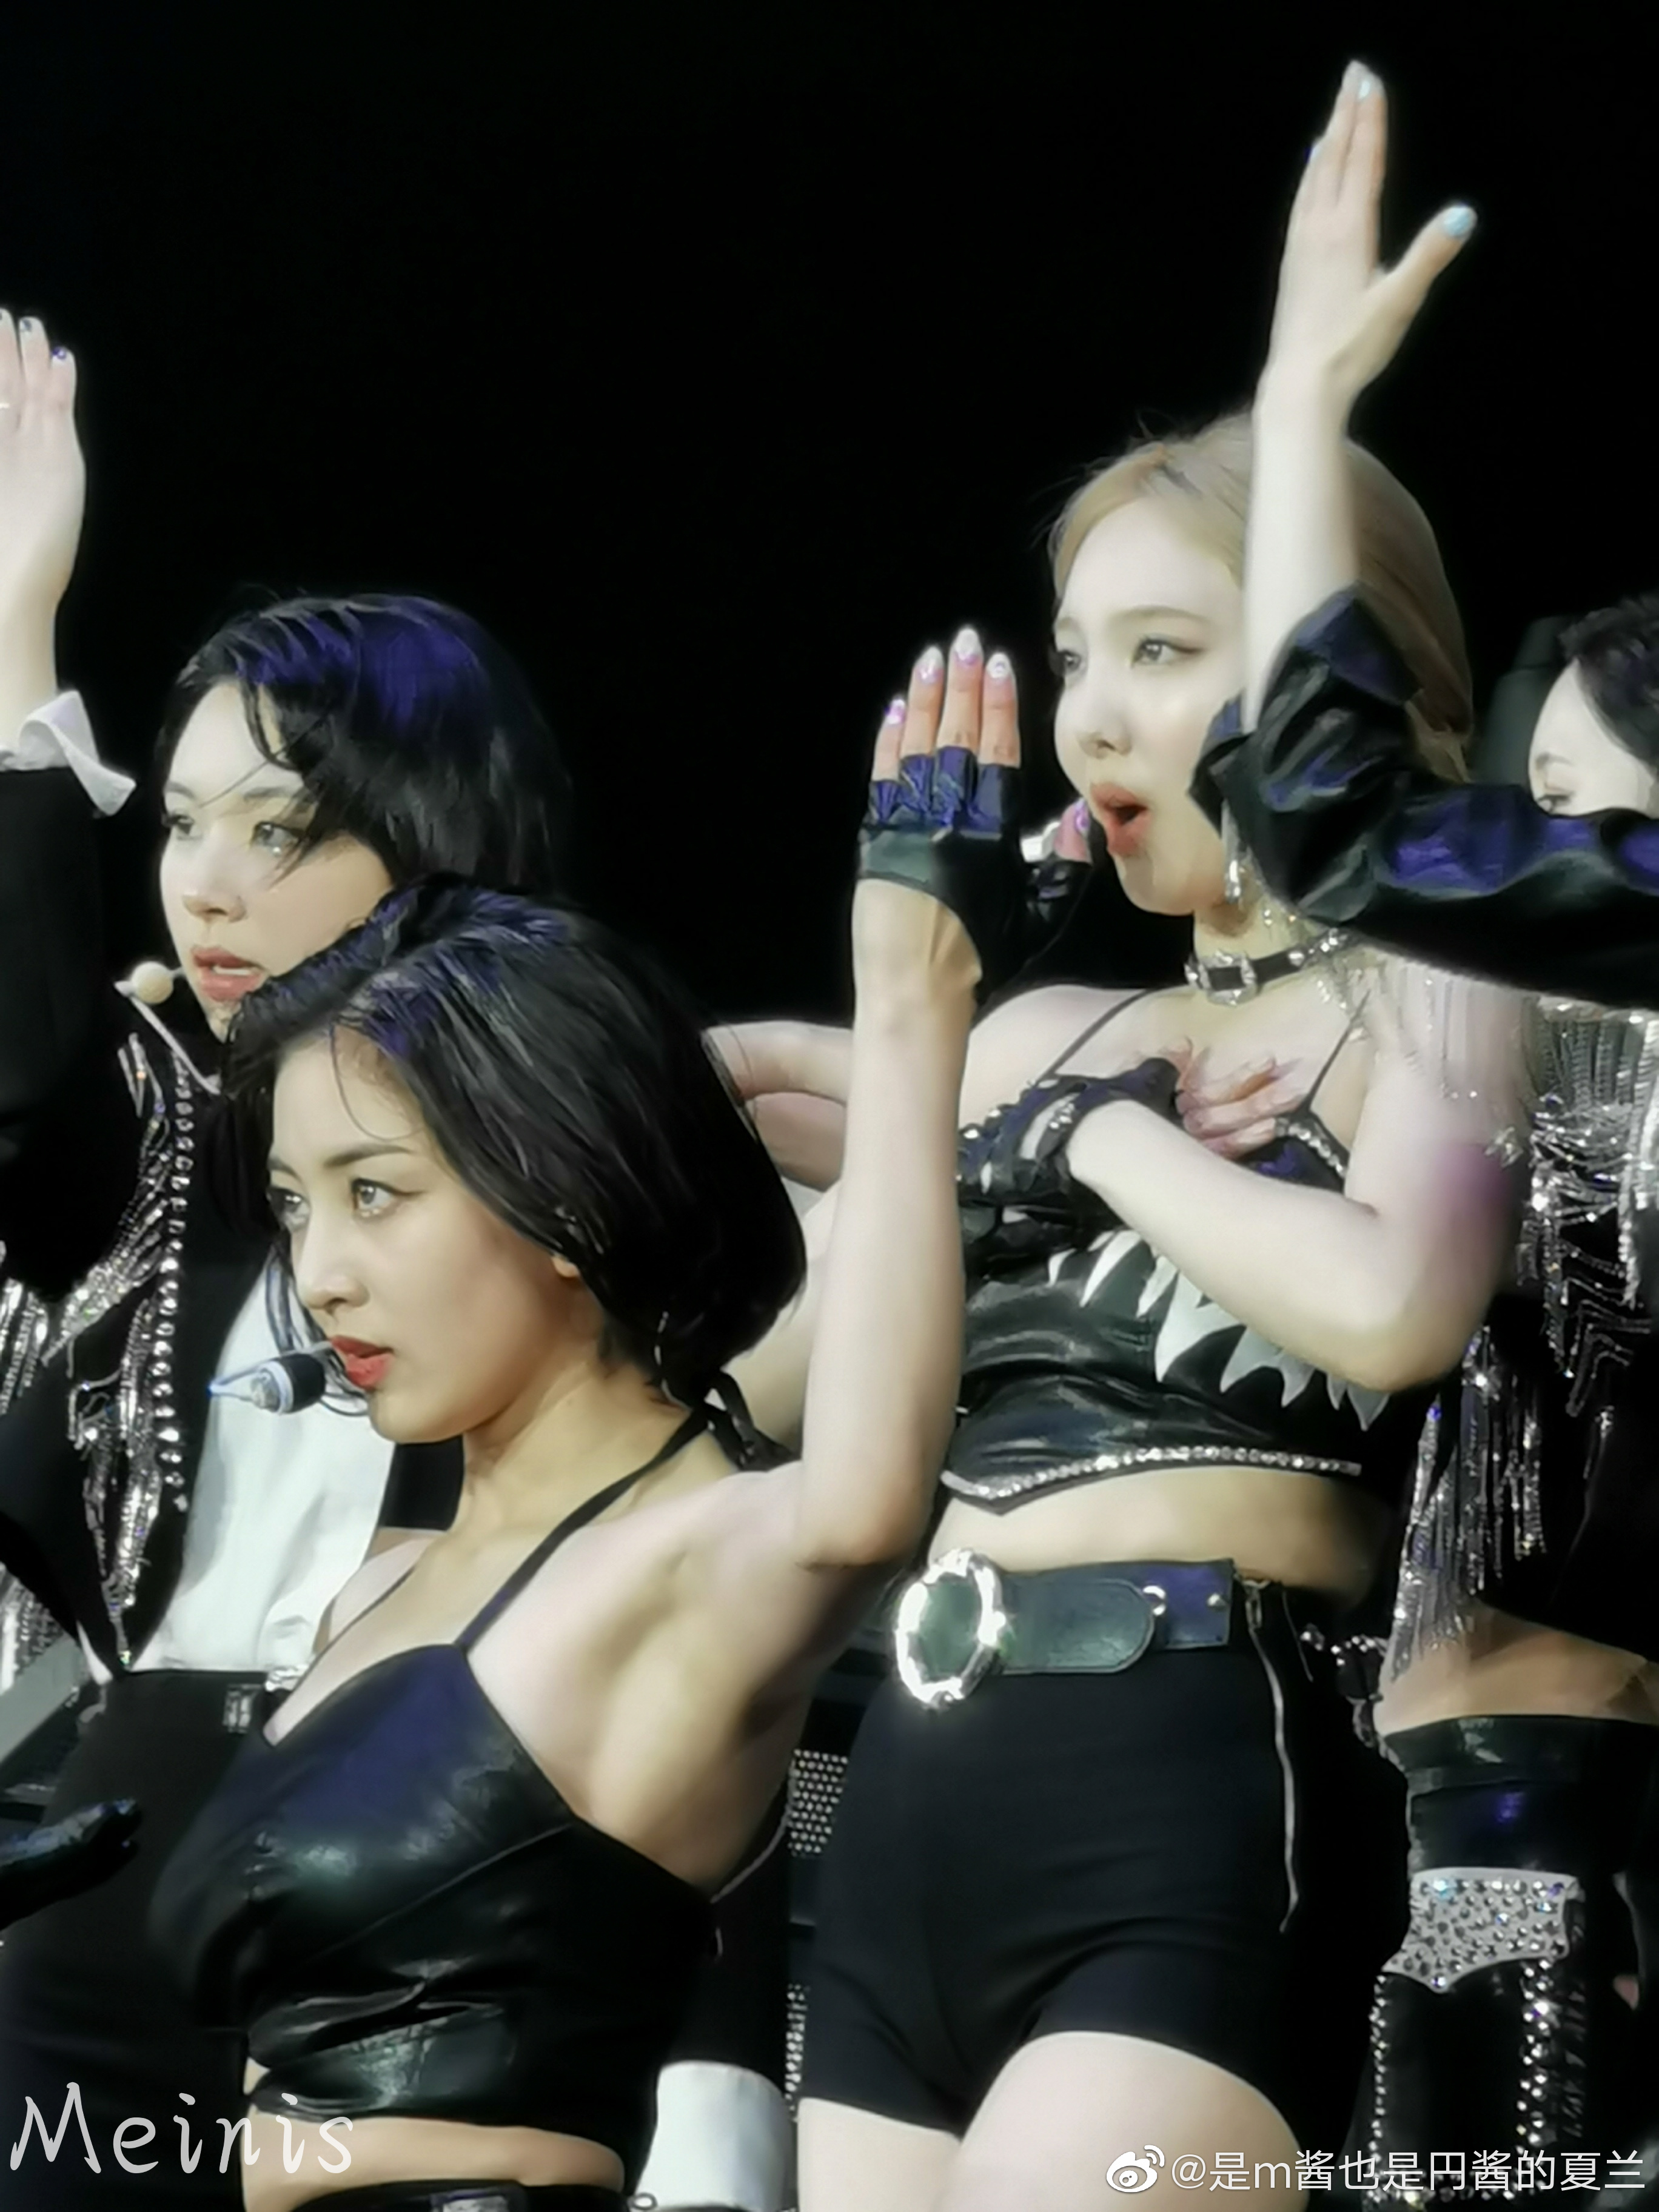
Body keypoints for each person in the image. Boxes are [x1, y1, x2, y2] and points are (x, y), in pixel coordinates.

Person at [0, 315, 788, 2212]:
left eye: (278, 828)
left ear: (424, 835)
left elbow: (737, 1584)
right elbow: (21, 1091)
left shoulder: (590, 1142)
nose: (204, 881)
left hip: (451, 1879)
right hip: (122, 1878)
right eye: (181, 823)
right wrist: (22, 645)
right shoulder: (160, 1113)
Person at [712, 431, 1516, 2206]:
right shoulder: (1035, 1027)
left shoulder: (1433, 983)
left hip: (1191, 1782)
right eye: (1075, 659)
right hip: (914, 1785)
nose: (1091, 720)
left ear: (1345, 668)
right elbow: (768, 1385)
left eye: (1162, 651)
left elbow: (1395, 1304)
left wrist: (1094, 1138)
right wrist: (910, 1029)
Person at [146, 693, 987, 2211]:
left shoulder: (695, 1556)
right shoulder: (374, 1587)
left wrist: (912, 1013)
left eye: (376, 1194)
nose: (321, 1272)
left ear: (562, 1200)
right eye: (294, 1205)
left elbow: (865, 1501)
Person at [1187, 64, 1659, 2184]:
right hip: (1466, 1774)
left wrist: (1302, 416)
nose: (1550, 862)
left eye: (1588, 817)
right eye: (1538, 807)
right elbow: (1330, 833)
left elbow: (1335, 820)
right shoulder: (1507, 1053)